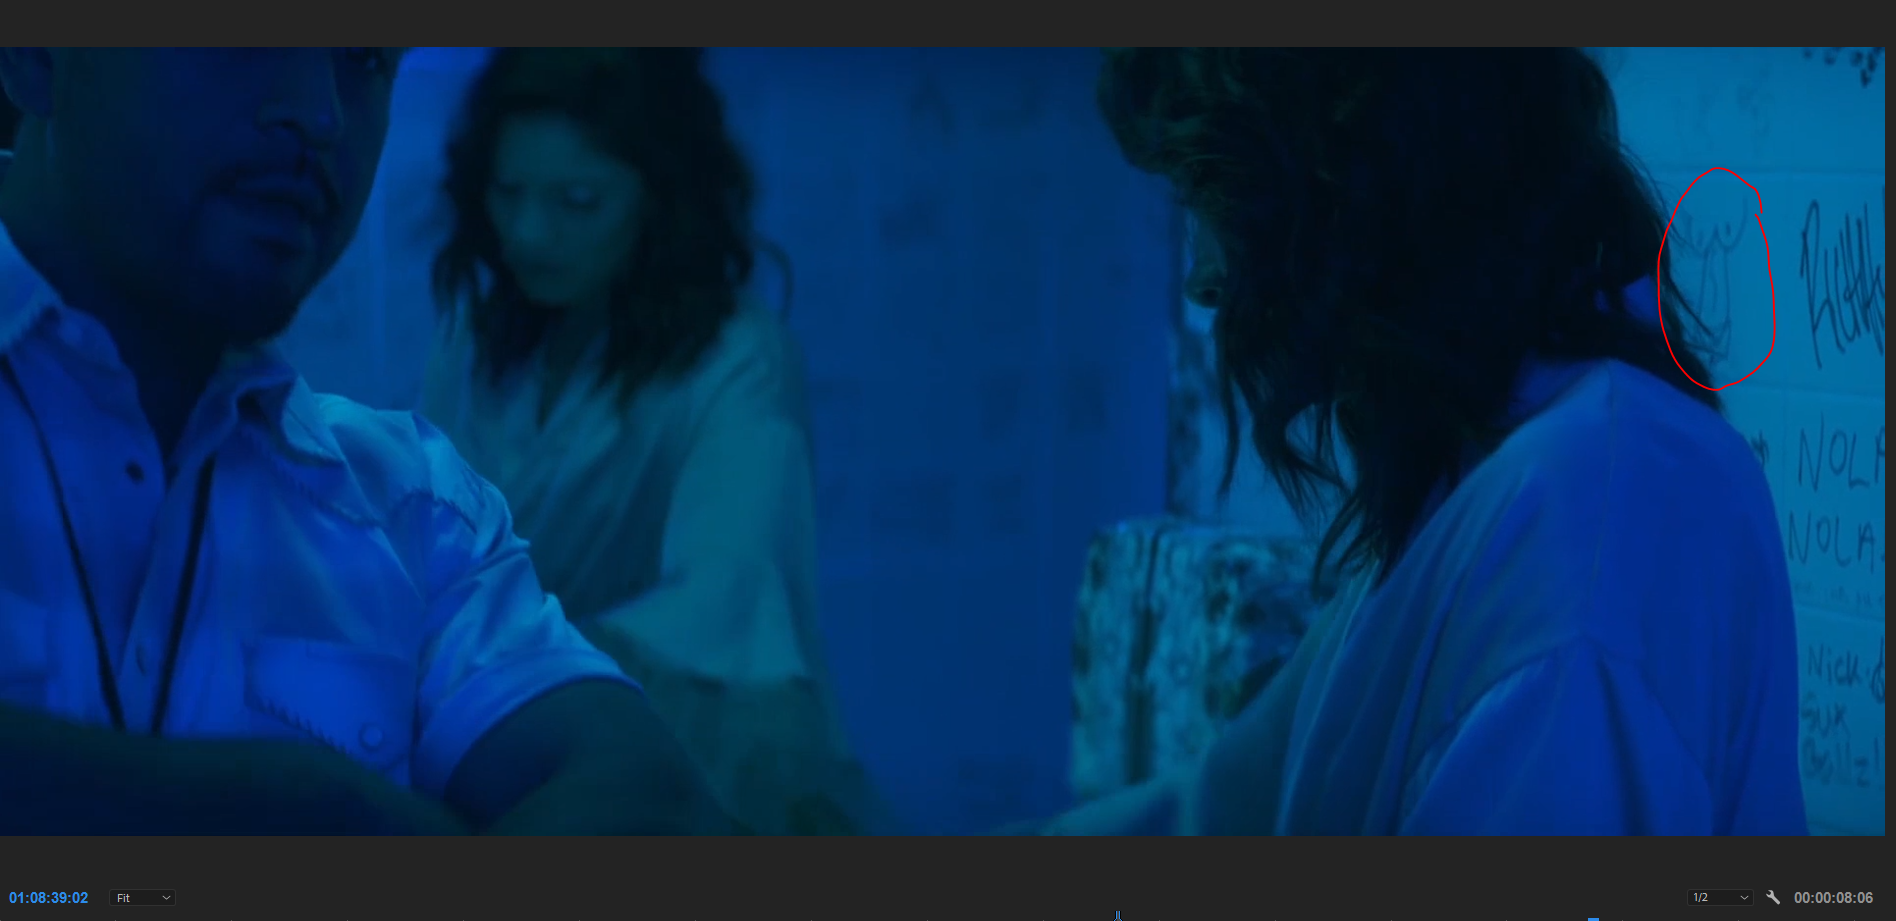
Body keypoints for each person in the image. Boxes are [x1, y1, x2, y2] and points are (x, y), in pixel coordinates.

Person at [1041, 48, 1806, 835]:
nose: (1203, 278)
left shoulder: (1582, 519)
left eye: (1212, 196)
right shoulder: (1478, 472)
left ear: (1352, 184)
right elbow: (1224, 810)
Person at [0, 47, 734, 835]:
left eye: (368, 58)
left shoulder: (416, 506)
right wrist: (301, 811)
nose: (320, 115)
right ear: (36, 55)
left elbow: (654, 802)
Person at [420, 48, 884, 835]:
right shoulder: (477, 342)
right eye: (508, 194)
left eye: (577, 201)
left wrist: (501, 674)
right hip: (497, 769)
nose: (529, 233)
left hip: (684, 783)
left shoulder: (735, 360)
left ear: (658, 198)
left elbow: (723, 599)